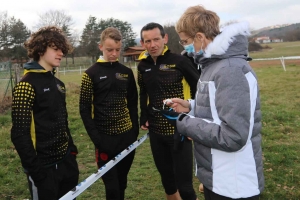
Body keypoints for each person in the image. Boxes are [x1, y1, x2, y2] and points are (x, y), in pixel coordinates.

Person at [166, 5, 264, 200]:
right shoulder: (213, 66)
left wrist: (184, 122)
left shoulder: (230, 70)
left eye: (185, 41)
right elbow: (220, 106)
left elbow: (233, 135)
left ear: (200, 38)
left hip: (233, 186)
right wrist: (191, 106)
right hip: (219, 178)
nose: (184, 47)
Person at [11, 26, 79, 200]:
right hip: (43, 170)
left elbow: (63, 122)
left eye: (62, 50)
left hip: (66, 163)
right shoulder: (26, 85)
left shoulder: (58, 84)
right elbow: (19, 134)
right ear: (41, 49)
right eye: (55, 49)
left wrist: (71, 152)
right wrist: (38, 173)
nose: (61, 53)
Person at [137, 22, 199, 200]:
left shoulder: (180, 61)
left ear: (165, 38)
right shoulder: (142, 66)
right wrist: (144, 116)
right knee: (168, 183)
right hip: (156, 133)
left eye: (156, 39)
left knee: (185, 186)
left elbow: (201, 90)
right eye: (148, 41)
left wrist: (194, 120)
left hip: (180, 130)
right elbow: (144, 92)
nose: (153, 45)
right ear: (143, 44)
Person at [79, 27, 139, 200]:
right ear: (101, 47)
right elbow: (84, 110)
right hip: (104, 140)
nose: (114, 54)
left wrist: (134, 131)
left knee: (122, 183)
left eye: (117, 50)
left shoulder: (126, 72)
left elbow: (133, 103)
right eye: (109, 50)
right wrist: (98, 140)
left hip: (126, 137)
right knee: (111, 188)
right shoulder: (90, 74)